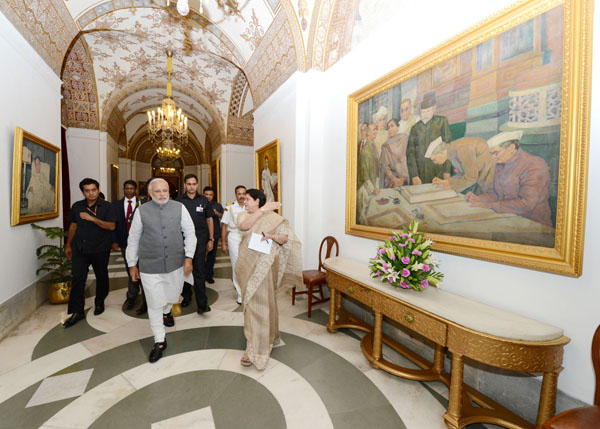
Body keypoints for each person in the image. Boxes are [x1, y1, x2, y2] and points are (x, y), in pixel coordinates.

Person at [126, 178, 196, 363]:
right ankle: (159, 340)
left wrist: (189, 257)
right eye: (158, 191)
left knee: (172, 297)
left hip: (175, 264)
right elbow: (133, 239)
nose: (163, 194)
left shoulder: (179, 207)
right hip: (150, 266)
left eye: (165, 190)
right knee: (154, 303)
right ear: (150, 193)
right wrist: (132, 264)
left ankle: (167, 311)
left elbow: (190, 233)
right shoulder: (141, 211)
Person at [236, 189, 302, 370]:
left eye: (248, 199)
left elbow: (284, 239)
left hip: (265, 267)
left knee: (262, 306)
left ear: (258, 201)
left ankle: (255, 349)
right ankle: (260, 339)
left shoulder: (274, 218)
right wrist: (263, 210)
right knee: (251, 306)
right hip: (246, 266)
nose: (245, 202)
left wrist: (271, 236)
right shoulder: (243, 215)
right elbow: (244, 226)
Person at [466, 130, 553, 226]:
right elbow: (494, 193)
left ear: (511, 148)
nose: (492, 158)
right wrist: (479, 199)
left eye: (495, 153)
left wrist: (490, 205)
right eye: (490, 154)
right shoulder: (500, 164)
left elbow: (527, 204)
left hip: (532, 223)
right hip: (506, 219)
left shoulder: (534, 165)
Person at [63, 178, 116, 328]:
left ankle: (99, 302)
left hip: (100, 248)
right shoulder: (77, 206)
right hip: (80, 248)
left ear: (98, 190)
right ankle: (76, 311)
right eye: (87, 190)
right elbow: (73, 226)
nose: (91, 193)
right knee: (78, 278)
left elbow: (111, 226)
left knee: (101, 276)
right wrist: (68, 244)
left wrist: (92, 218)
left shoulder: (107, 207)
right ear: (83, 192)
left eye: (93, 190)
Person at [178, 174, 214, 313]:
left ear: (197, 185)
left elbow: (210, 220)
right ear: (185, 185)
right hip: (183, 241)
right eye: (189, 184)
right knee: (185, 270)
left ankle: (202, 305)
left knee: (199, 271)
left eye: (194, 184)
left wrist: (211, 239)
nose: (191, 186)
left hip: (200, 241)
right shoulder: (179, 201)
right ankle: (186, 297)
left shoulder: (204, 200)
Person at [406, 91, 452, 184]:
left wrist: (447, 172)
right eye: (423, 112)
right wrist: (414, 175)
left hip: (437, 171)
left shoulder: (441, 121)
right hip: (419, 173)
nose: (425, 114)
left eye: (428, 111)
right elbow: (410, 153)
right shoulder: (415, 128)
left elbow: (448, 147)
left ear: (434, 109)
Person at [112, 180, 142, 309]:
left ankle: (147, 296)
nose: (129, 191)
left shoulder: (143, 203)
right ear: (123, 189)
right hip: (125, 242)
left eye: (132, 189)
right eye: (127, 188)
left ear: (136, 190)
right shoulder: (116, 205)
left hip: (142, 242)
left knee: (145, 270)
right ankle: (132, 296)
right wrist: (114, 240)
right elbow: (114, 224)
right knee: (131, 268)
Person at [427, 137, 494, 194]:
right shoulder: (452, 152)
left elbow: (471, 177)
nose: (435, 163)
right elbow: (462, 174)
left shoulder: (462, 149)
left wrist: (451, 187)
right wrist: (446, 182)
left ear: (441, 152)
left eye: (434, 159)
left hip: (490, 179)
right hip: (481, 180)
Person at [221, 185, 246, 304]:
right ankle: (241, 294)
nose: (241, 196)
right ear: (236, 195)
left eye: (243, 193)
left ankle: (246, 289)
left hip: (247, 237)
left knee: (247, 265)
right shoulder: (229, 208)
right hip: (234, 237)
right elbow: (224, 226)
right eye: (239, 193)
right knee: (237, 265)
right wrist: (223, 243)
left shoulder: (249, 207)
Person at [379, 118, 409, 188]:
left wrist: (404, 178)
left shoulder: (405, 138)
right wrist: (395, 179)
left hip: (407, 177)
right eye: (388, 127)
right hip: (393, 180)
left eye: (392, 126)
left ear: (398, 127)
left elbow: (410, 158)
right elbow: (385, 166)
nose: (390, 129)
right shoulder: (385, 145)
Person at [203, 186, 223, 284]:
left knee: (211, 256)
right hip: (202, 234)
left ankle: (209, 275)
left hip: (215, 234)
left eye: (210, 195)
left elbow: (223, 217)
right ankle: (200, 275)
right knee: (200, 256)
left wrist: (216, 212)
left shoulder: (217, 205)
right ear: (203, 194)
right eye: (206, 195)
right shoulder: (200, 203)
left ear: (213, 195)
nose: (208, 197)